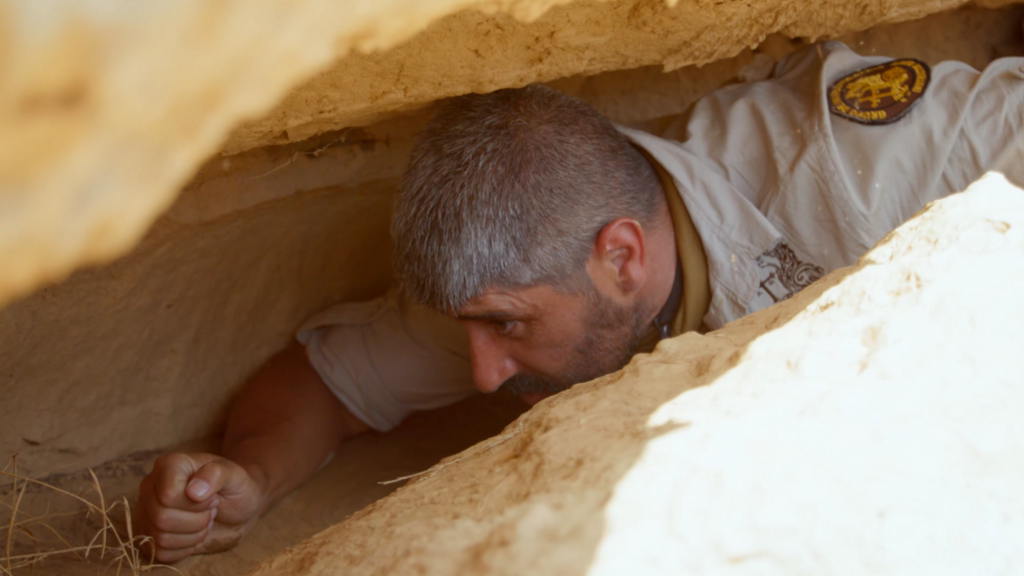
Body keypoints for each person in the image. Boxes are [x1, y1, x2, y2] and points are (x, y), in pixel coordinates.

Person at [134, 41, 1024, 562]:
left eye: (506, 327)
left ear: (621, 258)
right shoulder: (520, 286)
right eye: (478, 329)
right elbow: (323, 384)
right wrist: (244, 482)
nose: (486, 375)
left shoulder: (858, 169)